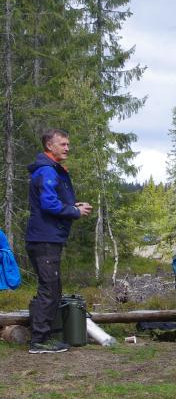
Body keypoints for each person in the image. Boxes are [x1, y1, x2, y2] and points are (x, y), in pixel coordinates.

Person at [25, 128, 93, 354]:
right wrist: (74, 211)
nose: (67, 148)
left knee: (53, 288)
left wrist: (73, 206)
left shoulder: (51, 169)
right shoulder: (47, 171)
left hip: (46, 238)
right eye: (63, 144)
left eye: (68, 144)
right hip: (44, 239)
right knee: (49, 288)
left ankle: (45, 337)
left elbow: (52, 201)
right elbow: (49, 204)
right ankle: (39, 341)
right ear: (49, 146)